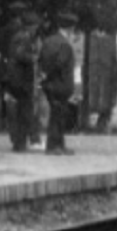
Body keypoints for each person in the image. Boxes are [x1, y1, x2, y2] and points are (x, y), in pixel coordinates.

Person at [39, 10, 80, 155]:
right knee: (58, 117)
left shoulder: (48, 41)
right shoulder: (65, 44)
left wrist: (45, 78)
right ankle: (53, 146)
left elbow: (42, 61)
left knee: (57, 115)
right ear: (70, 28)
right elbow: (59, 64)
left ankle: (59, 145)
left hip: (49, 85)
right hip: (61, 85)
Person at [2, 7, 41, 152]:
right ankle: (20, 144)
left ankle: (20, 143)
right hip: (21, 80)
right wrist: (35, 58)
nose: (36, 29)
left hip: (20, 80)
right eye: (35, 26)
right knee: (24, 112)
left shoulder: (22, 36)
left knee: (23, 112)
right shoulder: (23, 37)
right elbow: (19, 55)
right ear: (31, 26)